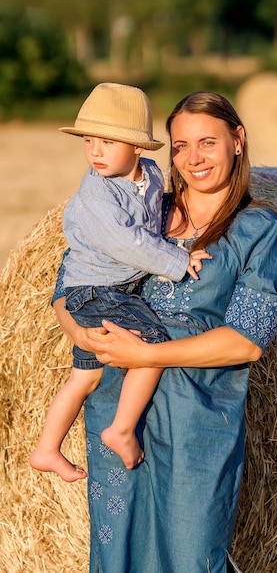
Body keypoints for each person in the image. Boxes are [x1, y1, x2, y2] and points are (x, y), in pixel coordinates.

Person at [51, 91, 277, 572]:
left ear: (238, 140)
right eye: (180, 146)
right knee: (116, 551)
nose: (193, 158)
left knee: (190, 554)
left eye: (208, 142)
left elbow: (245, 340)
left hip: (195, 415)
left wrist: (147, 356)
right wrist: (74, 328)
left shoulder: (256, 229)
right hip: (116, 405)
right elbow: (71, 278)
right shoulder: (146, 211)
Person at [29, 83, 209, 482]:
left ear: (138, 148)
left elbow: (155, 218)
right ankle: (121, 429)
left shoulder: (150, 176)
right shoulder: (97, 193)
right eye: (88, 141)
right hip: (95, 292)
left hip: (106, 291)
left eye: (107, 142)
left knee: (86, 376)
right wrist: (178, 260)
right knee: (152, 343)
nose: (94, 151)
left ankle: (46, 448)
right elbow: (129, 243)